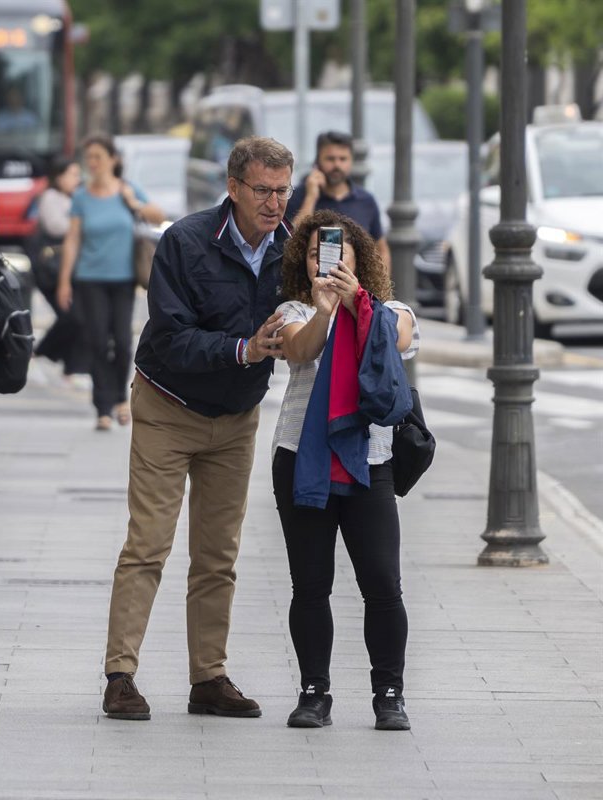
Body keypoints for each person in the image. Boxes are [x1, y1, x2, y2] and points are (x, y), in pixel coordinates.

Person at [101, 136, 293, 721]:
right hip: (169, 405)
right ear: (232, 187)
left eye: (283, 191)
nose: (274, 204)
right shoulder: (184, 241)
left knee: (218, 553)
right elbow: (169, 335)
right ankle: (120, 676)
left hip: (235, 418)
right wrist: (243, 349)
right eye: (262, 190)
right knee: (148, 543)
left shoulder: (294, 250)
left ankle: (209, 678)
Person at [272, 209, 418, 731]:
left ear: (359, 260)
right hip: (302, 459)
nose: (326, 262)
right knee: (310, 585)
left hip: (370, 462)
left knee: (382, 582)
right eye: (315, 255)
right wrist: (323, 310)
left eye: (336, 253)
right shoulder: (293, 309)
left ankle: (389, 694)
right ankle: (314, 692)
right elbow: (300, 349)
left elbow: (398, 337)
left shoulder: (389, 309)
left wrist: (356, 302)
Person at [56, 135, 164, 430]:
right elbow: (73, 239)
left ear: (113, 160)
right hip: (90, 279)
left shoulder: (127, 189)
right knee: (98, 341)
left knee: (124, 341)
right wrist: (64, 280)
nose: (93, 163)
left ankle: (120, 398)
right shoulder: (81, 196)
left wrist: (133, 202)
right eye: (89, 158)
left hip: (123, 279)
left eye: (98, 157)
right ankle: (103, 407)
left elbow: (158, 216)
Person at [286, 130, 390, 269]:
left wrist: (380, 282)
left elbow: (381, 250)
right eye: (330, 159)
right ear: (317, 161)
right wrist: (311, 197)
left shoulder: (366, 200)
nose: (337, 165)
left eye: (343, 159)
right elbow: (290, 240)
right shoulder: (299, 196)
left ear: (351, 161)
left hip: (356, 281)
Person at [31, 157, 88, 377]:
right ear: (58, 176)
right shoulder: (50, 197)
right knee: (71, 317)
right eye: (72, 174)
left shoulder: (76, 198)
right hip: (52, 271)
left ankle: (71, 365)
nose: (77, 179)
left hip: (73, 270)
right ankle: (43, 351)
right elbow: (56, 227)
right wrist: (79, 224)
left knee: (78, 318)